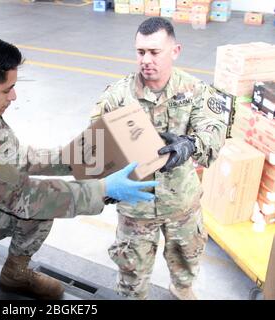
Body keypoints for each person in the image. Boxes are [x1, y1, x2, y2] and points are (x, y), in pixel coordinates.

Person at [0, 33, 158, 300]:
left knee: (42, 210)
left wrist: (86, 157)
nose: (14, 96)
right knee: (38, 203)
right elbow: (24, 196)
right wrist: (102, 189)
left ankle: (14, 275)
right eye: (6, 89)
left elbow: (19, 159)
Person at [90, 17, 227, 300]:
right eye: (140, 52)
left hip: (181, 202)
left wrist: (189, 145)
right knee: (131, 271)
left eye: (155, 52)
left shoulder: (195, 91)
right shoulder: (117, 95)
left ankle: (181, 290)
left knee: (187, 259)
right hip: (135, 203)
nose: (146, 60)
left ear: (175, 51)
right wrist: (107, 178)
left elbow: (213, 132)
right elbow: (94, 142)